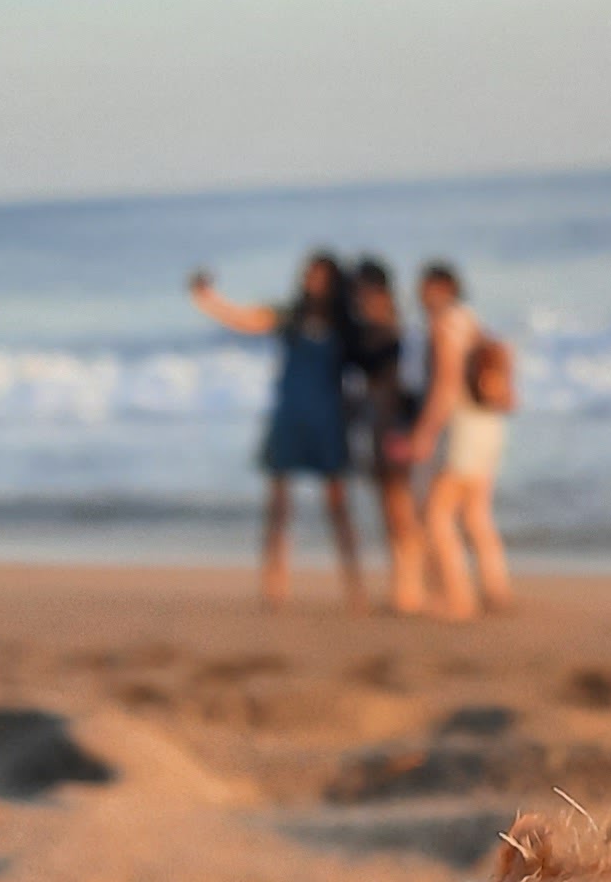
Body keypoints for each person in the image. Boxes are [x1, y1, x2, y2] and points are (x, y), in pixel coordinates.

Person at [188, 250, 365, 608]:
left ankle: (354, 585)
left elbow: (368, 369)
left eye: (319, 275)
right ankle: (274, 584)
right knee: (279, 506)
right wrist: (208, 301)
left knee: (337, 505)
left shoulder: (345, 325)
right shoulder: (291, 316)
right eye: (308, 274)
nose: (311, 281)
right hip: (290, 416)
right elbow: (246, 319)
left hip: (327, 421)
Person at [404, 259, 517, 618]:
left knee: (437, 514)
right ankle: (496, 588)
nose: (418, 295)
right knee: (476, 513)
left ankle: (459, 596)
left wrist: (423, 433)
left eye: (424, 287)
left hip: (462, 428)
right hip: (489, 425)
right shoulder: (473, 321)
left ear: (440, 289)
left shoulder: (444, 326)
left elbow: (446, 384)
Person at [342, 255, 432, 615]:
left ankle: (410, 586)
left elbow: (408, 387)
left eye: (366, 291)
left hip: (394, 426)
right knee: (391, 505)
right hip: (380, 426)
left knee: (400, 507)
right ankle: (404, 583)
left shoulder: (397, 333)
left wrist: (406, 430)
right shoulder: (379, 330)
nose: (362, 299)